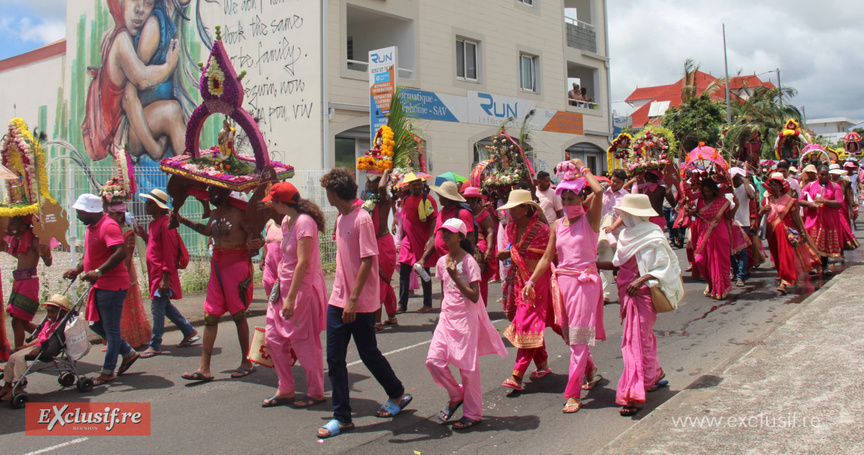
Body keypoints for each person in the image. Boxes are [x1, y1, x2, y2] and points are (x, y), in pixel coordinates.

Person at [318, 168, 411, 439]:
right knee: (334, 359)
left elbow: (368, 260)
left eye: (327, 190)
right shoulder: (341, 219)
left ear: (334, 193)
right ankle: (342, 418)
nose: (327, 195)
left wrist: (354, 300)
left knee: (368, 354)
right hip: (338, 299)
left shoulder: (362, 219)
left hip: (360, 302)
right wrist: (342, 298)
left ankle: (397, 393)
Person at [522, 159, 606, 413]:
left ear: (581, 199)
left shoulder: (590, 220)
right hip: (563, 284)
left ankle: (573, 393)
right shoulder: (557, 225)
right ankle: (590, 371)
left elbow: (599, 191)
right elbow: (547, 258)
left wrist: (584, 170)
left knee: (579, 338)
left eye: (573, 198)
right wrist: (531, 281)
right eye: (565, 199)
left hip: (585, 283)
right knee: (571, 337)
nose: (569, 203)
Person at [426, 218, 507, 430]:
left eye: (449, 232)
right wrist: (442, 312)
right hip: (447, 317)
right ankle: (456, 394)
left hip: (465, 319)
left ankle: (473, 413)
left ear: (460, 237)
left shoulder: (469, 262)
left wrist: (455, 276)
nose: (444, 235)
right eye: (442, 232)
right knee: (433, 360)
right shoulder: (442, 261)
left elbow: (473, 296)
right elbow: (445, 291)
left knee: (467, 368)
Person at [175, 186, 261, 381]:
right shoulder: (214, 213)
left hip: (237, 266)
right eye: (210, 192)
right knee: (210, 316)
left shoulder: (240, 214)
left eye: (215, 192)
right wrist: (183, 221)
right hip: (218, 268)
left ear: (226, 193)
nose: (211, 196)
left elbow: (256, 234)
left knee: (238, 315)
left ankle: (247, 362)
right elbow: (207, 231)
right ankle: (204, 368)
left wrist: (259, 243)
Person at [608, 194, 683, 416]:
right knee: (643, 338)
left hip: (643, 294)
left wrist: (641, 279)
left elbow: (664, 266)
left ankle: (633, 394)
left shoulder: (652, 234)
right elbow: (618, 263)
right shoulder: (625, 235)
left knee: (634, 343)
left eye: (624, 213)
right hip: (627, 293)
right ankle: (653, 374)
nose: (621, 216)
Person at [260, 182, 328, 408]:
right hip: (283, 287)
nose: (271, 207)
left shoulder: (304, 223)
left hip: (301, 290)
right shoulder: (286, 221)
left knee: (304, 343)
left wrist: (291, 298)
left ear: (281, 203)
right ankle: (286, 388)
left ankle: (316, 391)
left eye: (272, 202)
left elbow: (303, 262)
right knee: (272, 337)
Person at [63, 194, 138, 386]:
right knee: (95, 324)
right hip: (99, 285)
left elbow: (120, 252)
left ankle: (107, 371)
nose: (78, 215)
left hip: (112, 285)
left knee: (111, 329)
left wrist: (98, 271)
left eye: (80, 212)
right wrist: (78, 269)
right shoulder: (91, 227)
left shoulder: (109, 225)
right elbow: (90, 254)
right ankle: (128, 352)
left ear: (90, 211)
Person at [497, 189, 554, 394]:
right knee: (539, 322)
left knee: (527, 323)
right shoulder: (510, 228)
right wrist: (505, 255)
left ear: (526, 208)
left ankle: (517, 374)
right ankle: (542, 364)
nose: (511, 212)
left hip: (538, 281)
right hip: (519, 281)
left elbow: (549, 258)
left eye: (514, 208)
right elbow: (509, 253)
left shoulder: (543, 230)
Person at [135, 189, 199, 358]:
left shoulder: (166, 224)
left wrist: (165, 278)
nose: (146, 206)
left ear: (157, 206)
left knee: (157, 308)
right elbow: (155, 245)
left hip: (161, 275)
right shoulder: (155, 223)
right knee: (165, 307)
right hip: (156, 273)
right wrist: (143, 236)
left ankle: (155, 344)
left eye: (149, 203)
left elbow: (169, 253)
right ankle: (189, 331)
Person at [418, 181, 476, 313]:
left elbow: (470, 237)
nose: (439, 198)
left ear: (448, 198)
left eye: (441, 196)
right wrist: (423, 259)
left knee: (460, 293)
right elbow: (434, 237)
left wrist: (467, 262)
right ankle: (446, 315)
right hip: (444, 261)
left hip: (459, 263)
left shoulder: (463, 214)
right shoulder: (442, 213)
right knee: (447, 291)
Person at [758, 174, 821, 294]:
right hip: (772, 233)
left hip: (785, 232)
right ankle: (783, 275)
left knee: (785, 256)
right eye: (772, 185)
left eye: (776, 185)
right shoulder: (767, 200)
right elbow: (760, 214)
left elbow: (795, 218)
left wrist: (802, 232)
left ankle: (785, 282)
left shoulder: (790, 201)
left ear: (782, 187)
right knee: (777, 257)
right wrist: (762, 210)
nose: (774, 187)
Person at [0, 295, 70, 401]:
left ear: (62, 313)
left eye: (52, 312)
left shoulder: (60, 325)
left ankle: (18, 386)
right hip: (37, 346)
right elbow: (39, 337)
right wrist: (25, 346)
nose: (49, 315)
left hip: (46, 349)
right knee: (13, 356)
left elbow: (51, 342)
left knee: (19, 358)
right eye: (48, 311)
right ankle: (7, 385)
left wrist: (38, 349)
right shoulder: (48, 323)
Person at [689, 179, 749, 299]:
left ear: (714, 190)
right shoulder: (699, 201)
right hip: (704, 234)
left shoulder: (722, 202)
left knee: (720, 261)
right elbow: (696, 215)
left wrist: (736, 205)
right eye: (705, 191)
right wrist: (690, 212)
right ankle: (710, 283)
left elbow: (729, 217)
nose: (707, 194)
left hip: (720, 234)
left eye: (709, 191)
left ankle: (722, 288)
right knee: (700, 259)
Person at [106, 202, 152, 349]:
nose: (108, 217)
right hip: (113, 271)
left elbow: (127, 258)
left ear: (119, 216)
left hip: (124, 272)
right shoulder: (110, 230)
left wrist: (121, 276)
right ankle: (116, 340)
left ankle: (130, 339)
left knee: (126, 306)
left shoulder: (127, 232)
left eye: (111, 214)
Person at [2, 215, 53, 349]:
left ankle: (18, 352)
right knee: (21, 322)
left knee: (17, 321)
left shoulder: (34, 241)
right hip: (19, 282)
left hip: (28, 283)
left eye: (12, 224)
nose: (10, 227)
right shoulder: (17, 241)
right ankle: (47, 337)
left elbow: (48, 263)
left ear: (23, 226)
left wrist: (47, 253)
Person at [799, 165, 859, 273]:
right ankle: (815, 266)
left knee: (825, 243)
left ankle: (825, 267)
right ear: (818, 175)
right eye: (822, 174)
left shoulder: (835, 187)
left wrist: (824, 201)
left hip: (828, 219)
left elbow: (839, 203)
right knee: (813, 242)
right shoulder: (810, 185)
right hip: (813, 219)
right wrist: (809, 203)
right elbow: (800, 200)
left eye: (826, 174)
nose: (824, 176)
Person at [397, 174, 438, 313]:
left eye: (419, 184)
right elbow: (404, 221)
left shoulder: (428, 199)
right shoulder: (406, 199)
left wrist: (431, 238)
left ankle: (427, 303)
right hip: (407, 241)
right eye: (414, 185)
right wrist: (401, 239)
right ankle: (402, 304)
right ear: (409, 186)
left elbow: (433, 219)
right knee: (404, 271)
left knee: (423, 271)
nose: (417, 187)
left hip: (421, 241)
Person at [364, 171, 399, 330]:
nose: (370, 185)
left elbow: (383, 188)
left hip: (383, 245)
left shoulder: (384, 200)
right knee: (383, 282)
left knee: (380, 282)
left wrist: (385, 171)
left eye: (373, 182)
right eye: (368, 182)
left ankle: (376, 322)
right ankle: (391, 317)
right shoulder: (368, 201)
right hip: (372, 244)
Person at [463, 186, 498, 305]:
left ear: (476, 201)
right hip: (465, 244)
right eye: (466, 200)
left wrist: (488, 249)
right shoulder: (463, 212)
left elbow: (490, 232)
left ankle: (480, 306)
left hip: (480, 245)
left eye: (471, 200)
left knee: (479, 278)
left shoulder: (484, 214)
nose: (468, 202)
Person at [600, 169, 630, 302]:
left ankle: (622, 293)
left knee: (623, 265)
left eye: (618, 182)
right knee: (604, 263)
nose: (614, 184)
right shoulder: (603, 193)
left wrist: (614, 226)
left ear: (623, 183)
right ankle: (604, 294)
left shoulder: (626, 196)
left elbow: (623, 215)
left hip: (620, 234)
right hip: (605, 234)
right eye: (613, 181)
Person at [730, 168, 755, 287]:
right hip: (730, 222)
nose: (733, 181)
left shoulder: (746, 188)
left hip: (743, 223)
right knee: (730, 251)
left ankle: (741, 276)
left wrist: (745, 182)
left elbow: (752, 196)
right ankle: (735, 269)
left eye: (735, 178)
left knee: (742, 251)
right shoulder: (728, 189)